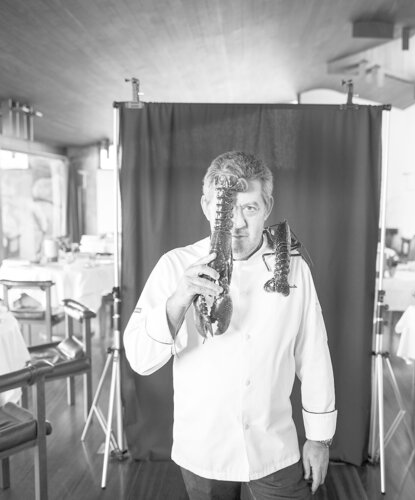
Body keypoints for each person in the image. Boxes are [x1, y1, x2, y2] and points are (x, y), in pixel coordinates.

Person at [124, 151, 336, 499]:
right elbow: (140, 358)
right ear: (207, 206)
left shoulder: (294, 267)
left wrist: (319, 437)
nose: (236, 222)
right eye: (226, 208)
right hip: (204, 448)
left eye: (249, 207)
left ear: (268, 207)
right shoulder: (175, 265)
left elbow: (313, 353)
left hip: (273, 445)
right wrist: (179, 299)